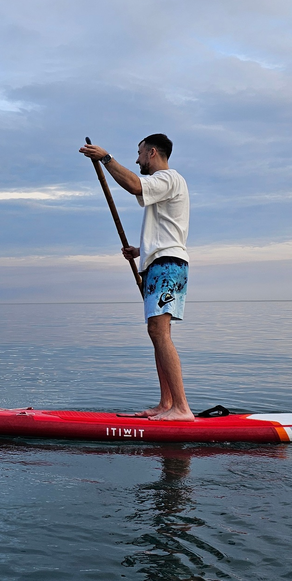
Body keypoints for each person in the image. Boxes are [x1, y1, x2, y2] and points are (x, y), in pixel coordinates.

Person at [80, 134, 194, 422]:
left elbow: (133, 185)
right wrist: (141, 251)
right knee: (157, 334)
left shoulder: (169, 178)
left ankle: (181, 408)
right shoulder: (165, 187)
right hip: (160, 262)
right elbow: (167, 230)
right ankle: (166, 403)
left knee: (159, 332)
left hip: (168, 266)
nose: (137, 159)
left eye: (140, 153)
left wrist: (105, 159)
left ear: (152, 153)